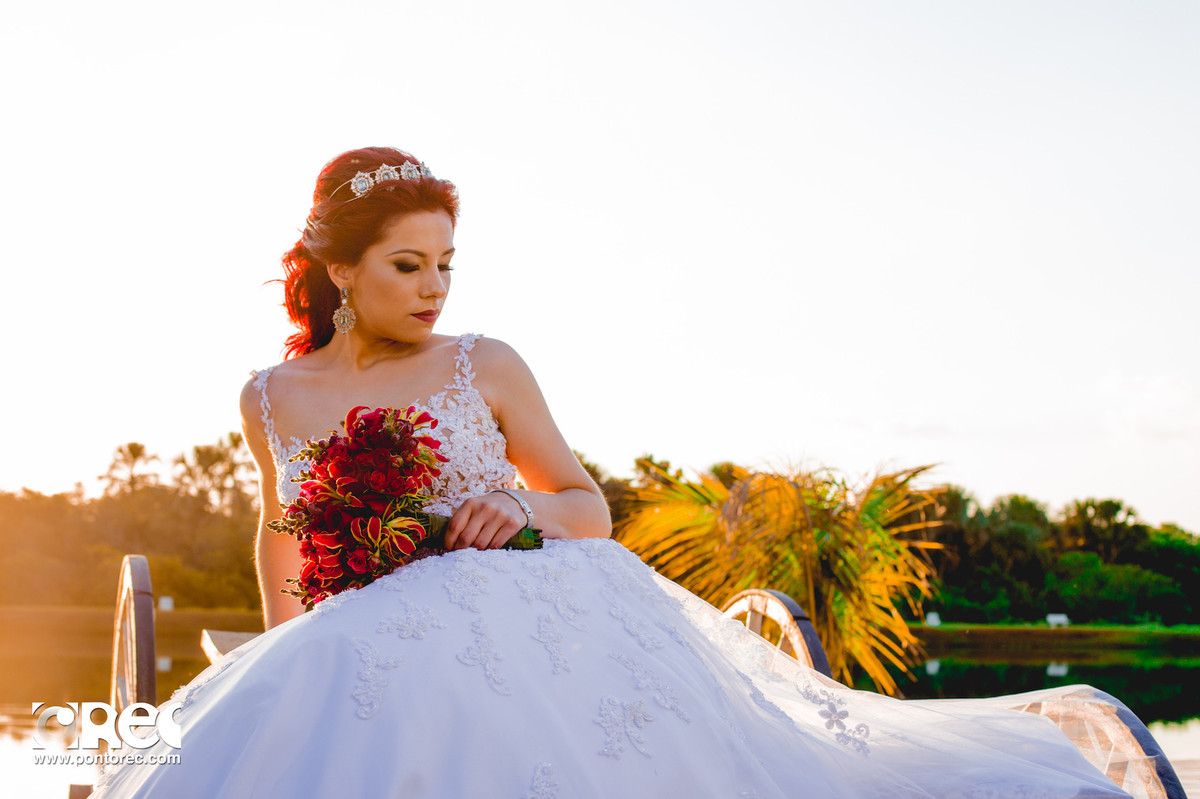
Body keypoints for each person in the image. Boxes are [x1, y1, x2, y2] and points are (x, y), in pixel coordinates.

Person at [92, 148, 1165, 798]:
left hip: (516, 614)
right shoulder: (269, 396)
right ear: (340, 268)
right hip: (355, 631)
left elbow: (589, 507)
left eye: (446, 265)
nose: (433, 289)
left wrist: (513, 501)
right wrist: (285, 649)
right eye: (407, 265)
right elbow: (281, 527)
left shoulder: (483, 364)